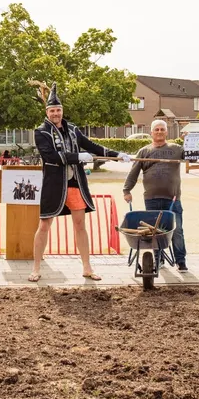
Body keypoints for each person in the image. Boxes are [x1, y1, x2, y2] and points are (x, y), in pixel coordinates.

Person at [28, 83, 131, 282]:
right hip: (54, 185)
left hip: (75, 183)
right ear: (47, 112)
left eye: (58, 110)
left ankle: (87, 267)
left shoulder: (73, 130)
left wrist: (116, 155)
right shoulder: (41, 132)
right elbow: (51, 156)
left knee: (80, 225)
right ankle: (36, 268)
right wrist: (78, 157)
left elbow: (92, 146)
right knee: (44, 225)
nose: (56, 113)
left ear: (62, 111)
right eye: (52, 110)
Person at [122, 119, 188, 272]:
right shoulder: (144, 151)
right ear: (151, 133)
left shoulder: (176, 149)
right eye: (156, 129)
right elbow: (134, 173)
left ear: (166, 132)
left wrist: (189, 141)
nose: (159, 132)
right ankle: (158, 260)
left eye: (162, 129)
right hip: (151, 199)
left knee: (176, 230)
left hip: (173, 198)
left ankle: (181, 261)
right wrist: (127, 190)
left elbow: (193, 155)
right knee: (155, 232)